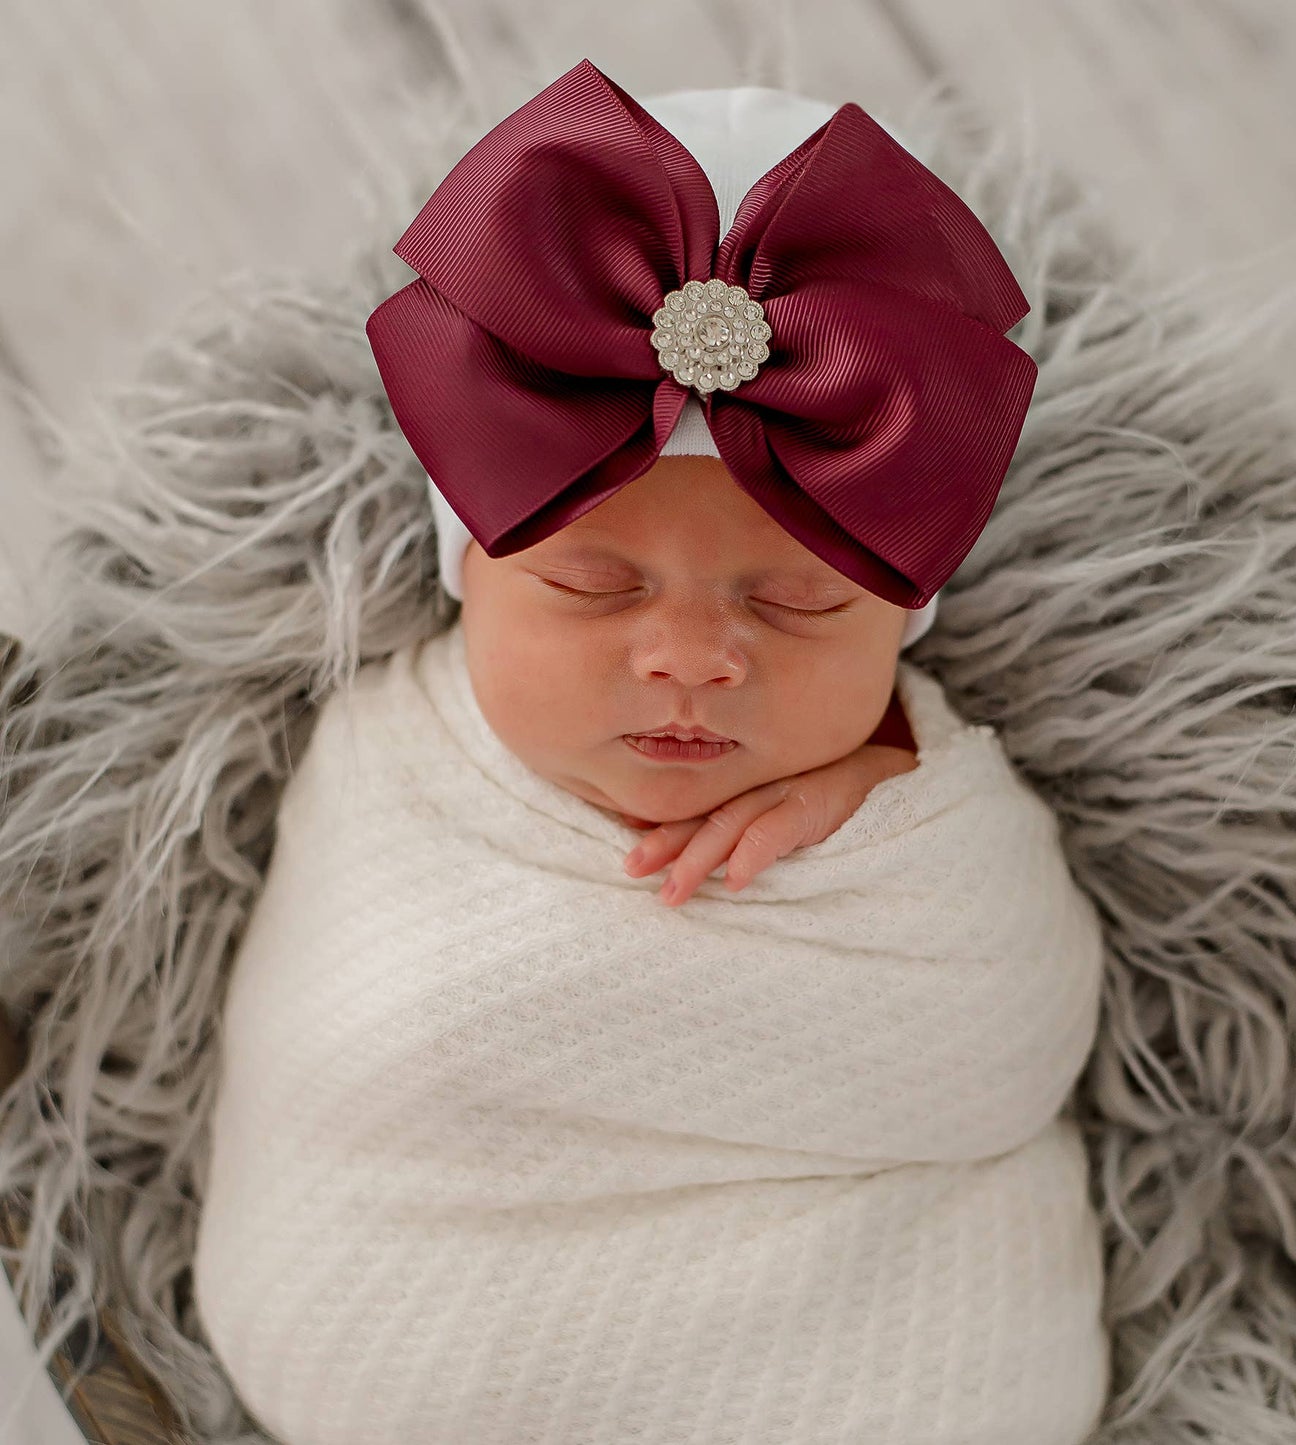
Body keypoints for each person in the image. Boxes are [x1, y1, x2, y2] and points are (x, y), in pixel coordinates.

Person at [191, 59, 1111, 1445]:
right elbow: (353, 1048)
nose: (688, 657)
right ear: (472, 576)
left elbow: (1014, 1037)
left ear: (903, 621)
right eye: (592, 588)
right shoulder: (394, 754)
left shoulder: (923, 807)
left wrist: (896, 801)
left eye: (796, 601)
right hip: (415, 1312)